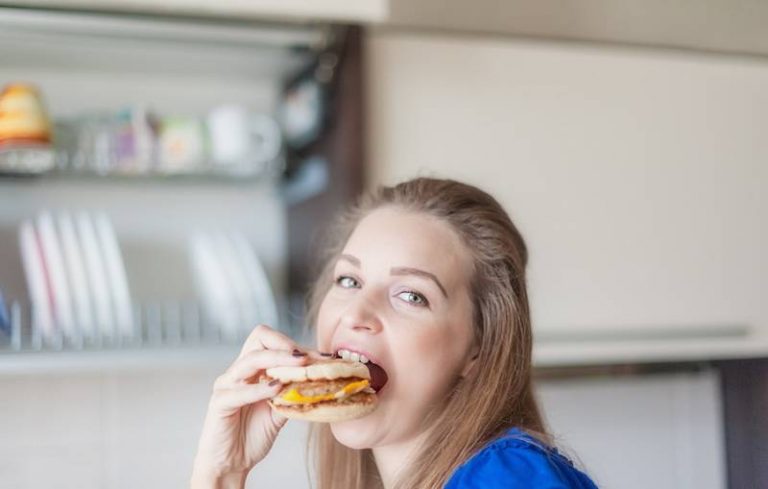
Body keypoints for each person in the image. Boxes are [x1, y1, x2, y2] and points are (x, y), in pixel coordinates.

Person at [191, 177, 599, 489]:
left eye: (410, 295)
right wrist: (223, 474)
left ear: (478, 347)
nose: (356, 313)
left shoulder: (508, 479)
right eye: (349, 281)